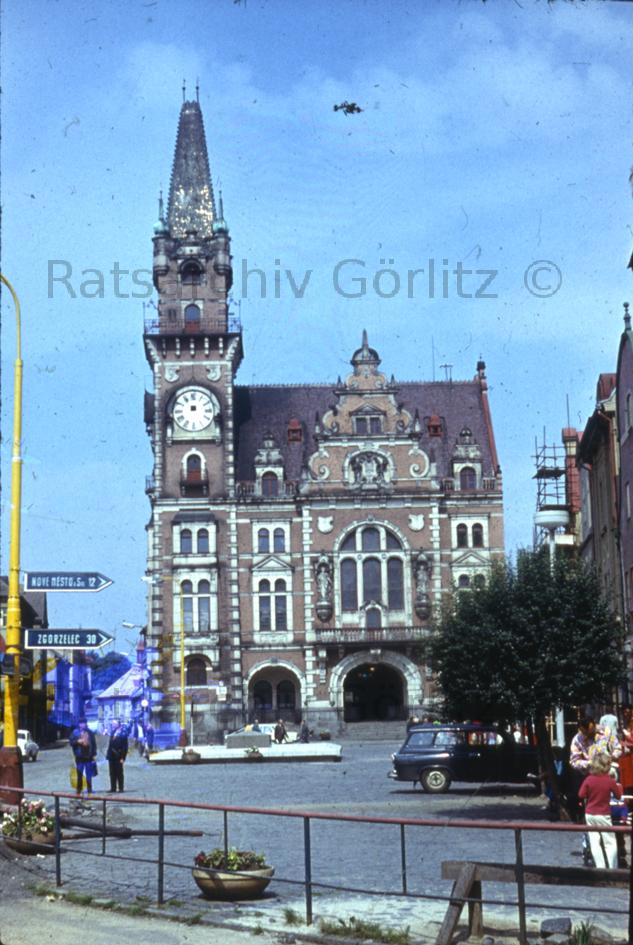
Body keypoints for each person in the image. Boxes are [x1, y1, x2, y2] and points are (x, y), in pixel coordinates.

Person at [569, 716, 622, 865]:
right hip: (590, 778)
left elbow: (618, 748)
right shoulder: (577, 740)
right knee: (595, 835)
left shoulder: (606, 732)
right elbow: (574, 761)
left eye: (591, 731)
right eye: (585, 732)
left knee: (613, 822)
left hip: (609, 775)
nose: (588, 734)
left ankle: (614, 860)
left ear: (593, 725)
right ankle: (599, 864)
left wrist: (610, 758)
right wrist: (589, 764)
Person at [578, 751, 623, 869]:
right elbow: (618, 796)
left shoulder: (589, 779)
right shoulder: (609, 780)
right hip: (603, 814)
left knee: (594, 842)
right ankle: (612, 867)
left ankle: (600, 867)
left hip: (590, 814)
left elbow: (581, 794)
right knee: (609, 842)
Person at [69, 718, 97, 799]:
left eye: (84, 723)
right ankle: (79, 789)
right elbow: (71, 742)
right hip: (79, 757)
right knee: (79, 774)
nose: (82, 725)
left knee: (89, 774)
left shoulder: (90, 732)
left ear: (86, 724)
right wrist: (77, 741)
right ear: (79, 724)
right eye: (81, 723)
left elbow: (94, 744)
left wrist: (94, 755)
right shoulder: (75, 732)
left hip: (88, 756)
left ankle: (89, 789)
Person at [106, 719, 128, 793]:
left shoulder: (123, 733)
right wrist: (108, 754)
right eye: (112, 724)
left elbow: (125, 747)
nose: (113, 725)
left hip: (118, 756)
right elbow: (110, 745)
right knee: (112, 773)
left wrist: (123, 757)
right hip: (111, 756)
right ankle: (113, 787)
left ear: (118, 724)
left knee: (119, 773)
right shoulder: (113, 732)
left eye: (114, 724)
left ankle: (121, 788)